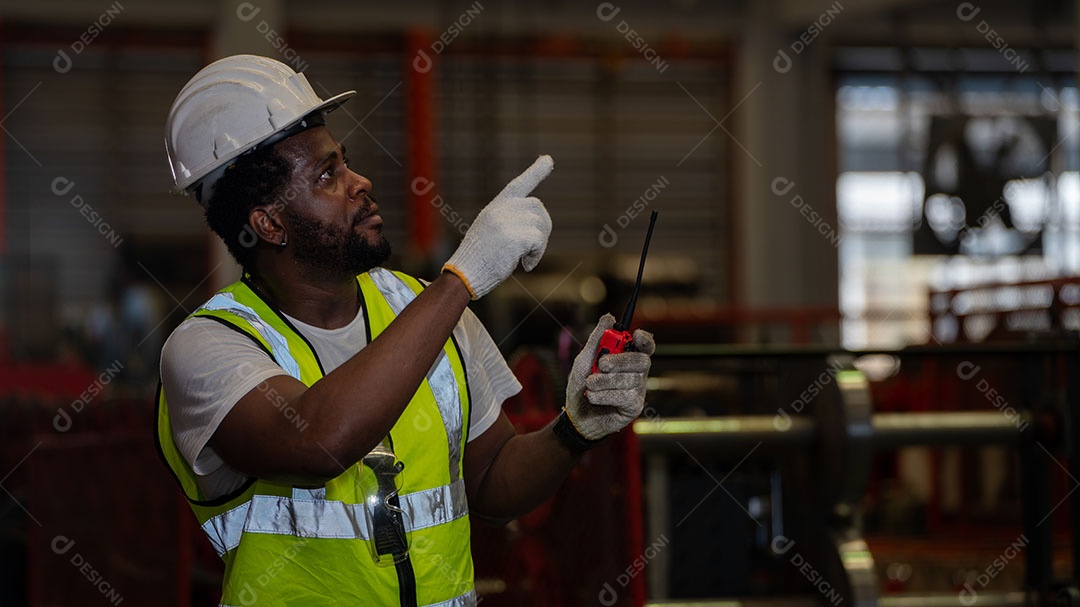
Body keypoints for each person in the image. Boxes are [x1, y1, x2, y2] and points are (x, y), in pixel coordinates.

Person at [156, 54, 654, 607]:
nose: (360, 182)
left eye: (346, 163)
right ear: (269, 223)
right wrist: (460, 281)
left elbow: (492, 483)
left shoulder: (425, 310)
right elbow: (315, 442)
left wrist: (575, 428)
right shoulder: (209, 347)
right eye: (327, 175)